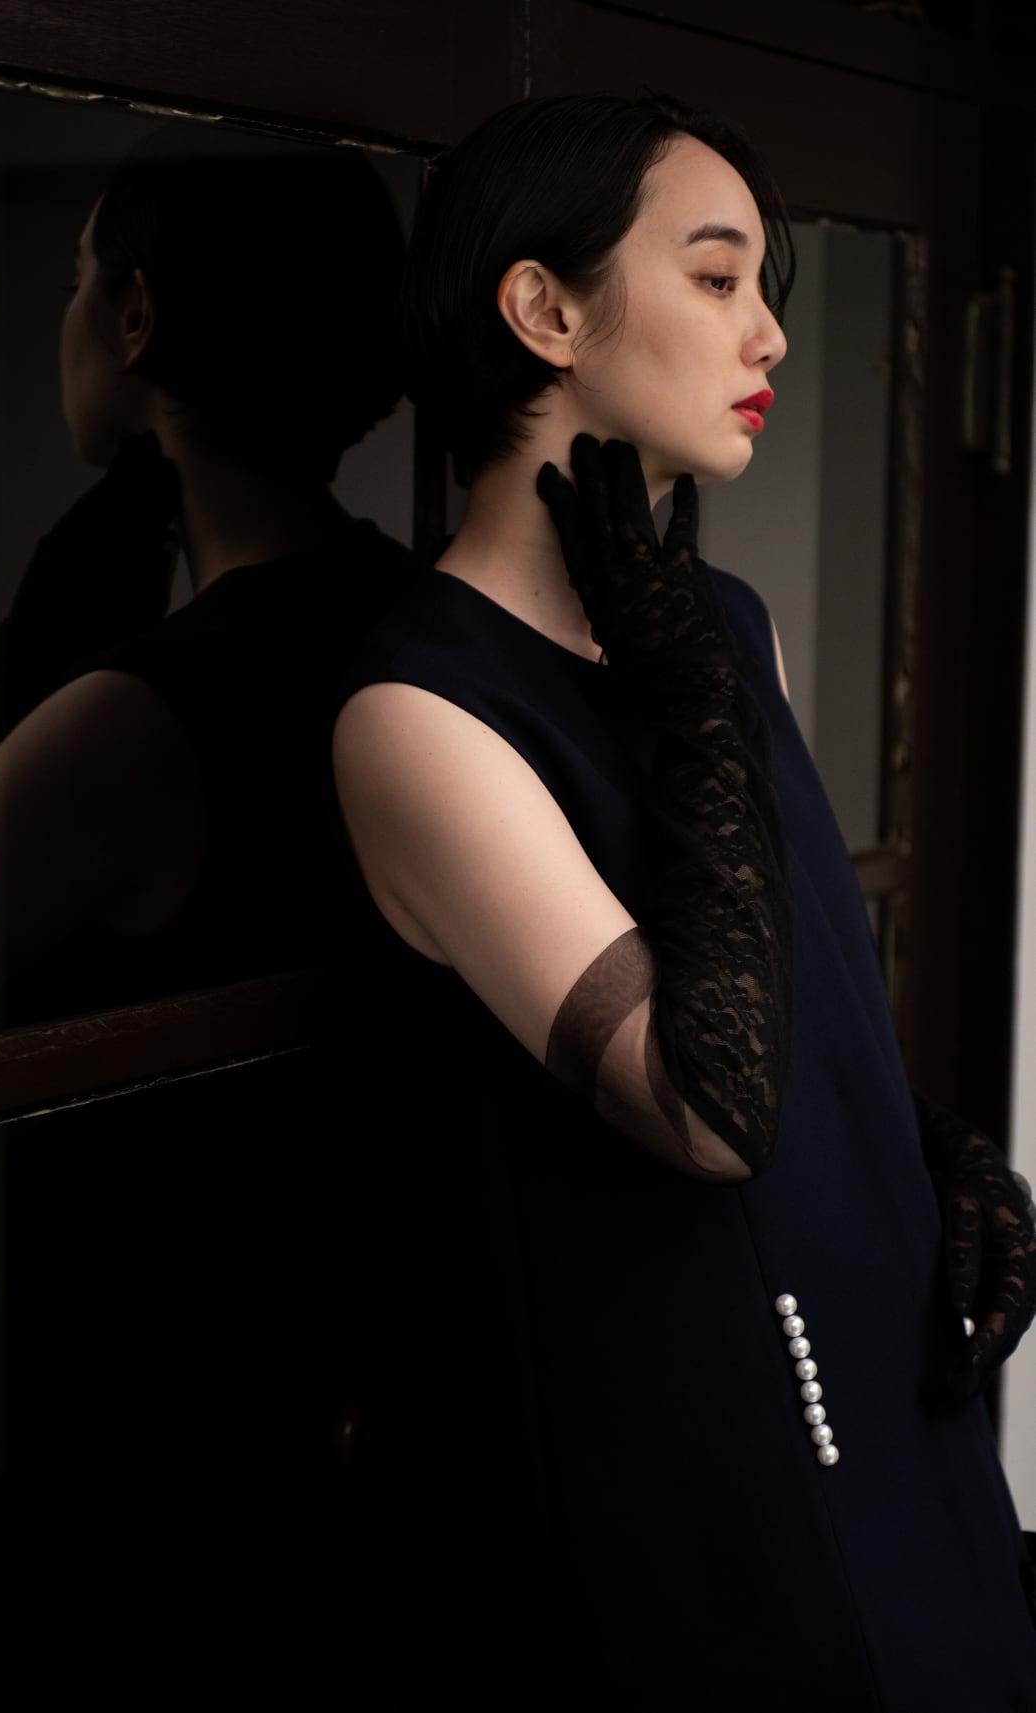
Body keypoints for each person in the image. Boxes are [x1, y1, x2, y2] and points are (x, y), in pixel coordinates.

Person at [330, 91, 1036, 1709]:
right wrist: (702, 714)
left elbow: (793, 975)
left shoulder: (720, 621)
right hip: (679, 1451)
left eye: (758, 286)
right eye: (716, 279)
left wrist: (927, 1152)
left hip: (878, 1378)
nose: (767, 332)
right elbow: (706, 1108)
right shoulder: (414, 713)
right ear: (544, 309)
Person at [0, 127, 416, 1696]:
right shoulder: (423, 624)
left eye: (78, 280)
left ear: (133, 319)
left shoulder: (132, 715)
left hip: (122, 1420)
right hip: (343, 1371)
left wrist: (31, 656)